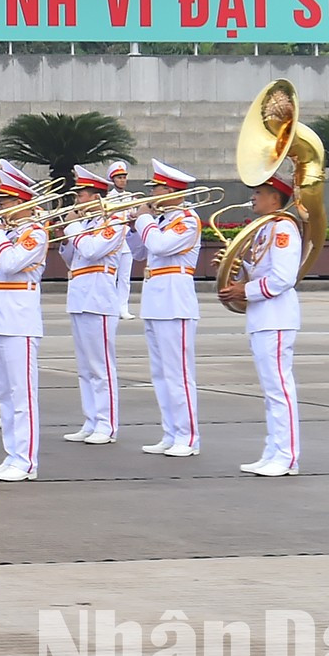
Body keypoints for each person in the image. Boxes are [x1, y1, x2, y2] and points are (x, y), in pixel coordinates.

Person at [218, 172, 305, 477]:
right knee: (271, 390)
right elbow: (260, 271)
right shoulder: (264, 230)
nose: (253, 197)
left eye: (259, 192)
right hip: (263, 317)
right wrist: (235, 270)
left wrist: (245, 290)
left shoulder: (284, 229)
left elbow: (283, 278)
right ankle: (273, 450)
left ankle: (287, 456)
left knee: (279, 388)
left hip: (276, 316)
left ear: (274, 197)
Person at [130, 160, 204, 458]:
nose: (152, 194)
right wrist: (132, 225)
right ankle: (171, 432)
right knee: (160, 374)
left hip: (175, 302)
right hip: (155, 301)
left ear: (172, 191)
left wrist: (144, 220)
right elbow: (139, 252)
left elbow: (160, 246)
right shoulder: (159, 220)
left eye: (157, 189)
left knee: (179, 374)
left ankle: (188, 437)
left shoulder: (187, 220)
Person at [0, 161, 47, 482]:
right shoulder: (6, 234)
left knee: (22, 395)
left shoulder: (35, 232)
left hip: (19, 319)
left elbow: (10, 263)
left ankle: (26, 461)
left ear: (20, 203)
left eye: (3, 202)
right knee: (5, 394)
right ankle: (11, 455)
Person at [59, 166, 124, 446]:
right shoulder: (83, 225)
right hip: (80, 297)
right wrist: (66, 234)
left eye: (82, 195)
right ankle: (91, 420)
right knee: (85, 367)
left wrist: (72, 226)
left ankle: (107, 424)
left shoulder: (115, 221)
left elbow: (91, 250)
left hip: (99, 299)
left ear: (97, 197)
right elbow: (71, 257)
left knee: (101, 367)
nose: (78, 201)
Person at [107, 159, 136, 319]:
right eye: (119, 177)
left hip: (127, 242)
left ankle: (123, 308)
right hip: (113, 242)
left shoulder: (131, 197)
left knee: (125, 278)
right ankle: (111, 306)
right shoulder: (108, 198)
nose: (122, 180)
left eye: (124, 177)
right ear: (113, 180)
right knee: (111, 276)